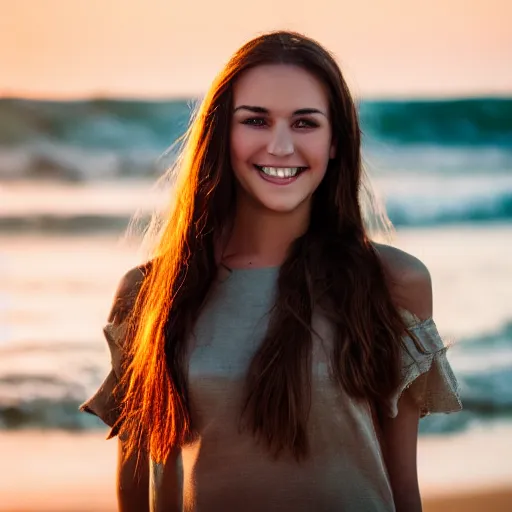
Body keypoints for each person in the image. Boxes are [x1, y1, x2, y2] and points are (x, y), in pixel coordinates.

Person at [80, 30, 462, 512]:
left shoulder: (393, 282)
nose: (280, 146)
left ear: (336, 143)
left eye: (305, 123)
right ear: (223, 134)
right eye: (256, 121)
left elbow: (403, 487)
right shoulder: (149, 292)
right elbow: (137, 489)